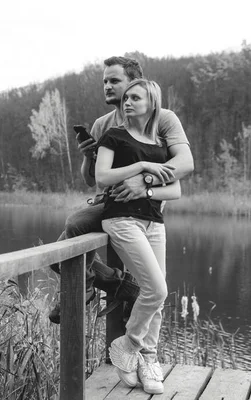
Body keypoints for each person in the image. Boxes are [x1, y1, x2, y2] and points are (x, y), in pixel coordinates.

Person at [48, 56, 194, 323]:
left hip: (144, 205)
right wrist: (87, 157)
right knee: (57, 257)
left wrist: (145, 181)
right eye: (105, 81)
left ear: (134, 83)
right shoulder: (103, 125)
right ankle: (117, 286)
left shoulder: (162, 118)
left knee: (75, 225)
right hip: (111, 200)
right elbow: (93, 180)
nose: (107, 86)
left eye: (115, 80)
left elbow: (185, 163)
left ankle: (95, 289)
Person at [97, 79, 180, 395]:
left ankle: (147, 360)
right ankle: (128, 344)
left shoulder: (161, 144)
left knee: (157, 298)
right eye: (126, 97)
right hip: (122, 220)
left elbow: (176, 189)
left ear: (151, 103)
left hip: (154, 223)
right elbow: (102, 176)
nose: (127, 101)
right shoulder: (114, 136)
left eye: (135, 97)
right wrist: (143, 164)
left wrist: (146, 186)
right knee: (156, 288)